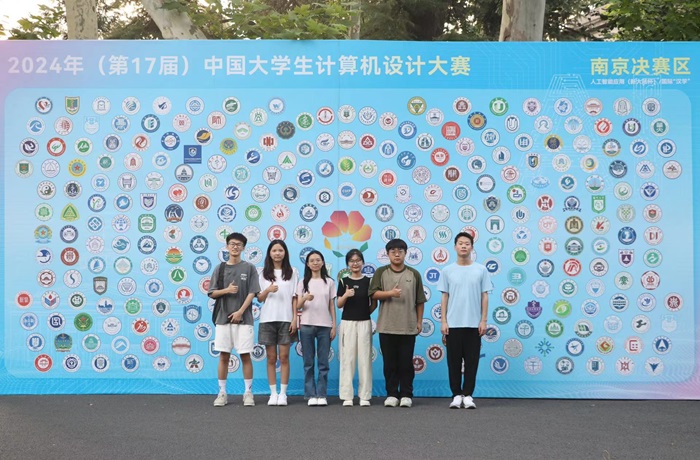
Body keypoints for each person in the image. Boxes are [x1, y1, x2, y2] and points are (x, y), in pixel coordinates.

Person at [438, 232, 493, 409]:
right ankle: (456, 395)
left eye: (467, 243)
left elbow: (485, 296)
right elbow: (445, 297)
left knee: (472, 362)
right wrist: (444, 321)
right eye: (460, 243)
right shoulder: (447, 270)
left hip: (474, 324)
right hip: (453, 324)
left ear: (472, 247)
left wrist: (483, 320)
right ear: (455, 247)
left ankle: (468, 395)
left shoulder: (481, 270)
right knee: (453, 363)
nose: (463, 246)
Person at [369, 239, 426, 408]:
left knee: (406, 363)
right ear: (387, 254)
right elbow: (373, 294)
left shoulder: (414, 274)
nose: (396, 254)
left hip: (408, 326)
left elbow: (420, 300)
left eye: (400, 251)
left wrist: (419, 321)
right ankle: (392, 394)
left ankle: (406, 394)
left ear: (405, 253)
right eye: (393, 251)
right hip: (387, 325)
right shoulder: (381, 272)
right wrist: (390, 293)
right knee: (389, 363)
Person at [209, 232, 261, 407]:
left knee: (245, 356)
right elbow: (212, 293)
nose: (235, 247)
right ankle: (222, 393)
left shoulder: (249, 268)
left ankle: (248, 393)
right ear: (227, 246)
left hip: (244, 320)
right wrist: (226, 290)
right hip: (223, 319)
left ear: (243, 247)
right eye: (232, 244)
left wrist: (240, 312)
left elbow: (253, 292)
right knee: (224, 356)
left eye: (238, 244)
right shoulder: (220, 268)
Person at [257, 239, 299, 406]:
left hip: (286, 319)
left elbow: (295, 297)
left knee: (284, 357)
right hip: (267, 319)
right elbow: (260, 298)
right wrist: (268, 290)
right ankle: (273, 393)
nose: (277, 253)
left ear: (285, 253)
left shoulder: (292, 272)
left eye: (280, 250)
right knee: (271, 358)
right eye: (274, 250)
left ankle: (283, 394)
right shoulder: (262, 273)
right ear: (269, 253)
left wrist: (295, 318)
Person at [296, 250, 337, 406]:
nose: (315, 262)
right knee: (308, 362)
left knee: (323, 362)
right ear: (307, 264)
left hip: (325, 326)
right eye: (312, 260)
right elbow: (297, 306)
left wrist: (334, 325)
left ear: (322, 262)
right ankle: (310, 394)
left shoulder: (329, 282)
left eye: (318, 260)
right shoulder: (302, 282)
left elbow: (331, 305)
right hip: (306, 325)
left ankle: (321, 394)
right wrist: (305, 298)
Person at [337, 249, 377, 407]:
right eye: (352, 261)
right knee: (348, 359)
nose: (355, 263)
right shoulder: (343, 281)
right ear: (347, 264)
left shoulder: (369, 281)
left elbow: (374, 303)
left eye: (358, 260)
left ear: (363, 262)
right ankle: (347, 395)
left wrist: (364, 313)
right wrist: (346, 295)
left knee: (365, 359)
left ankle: (364, 396)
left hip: (364, 323)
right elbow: (339, 304)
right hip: (347, 323)